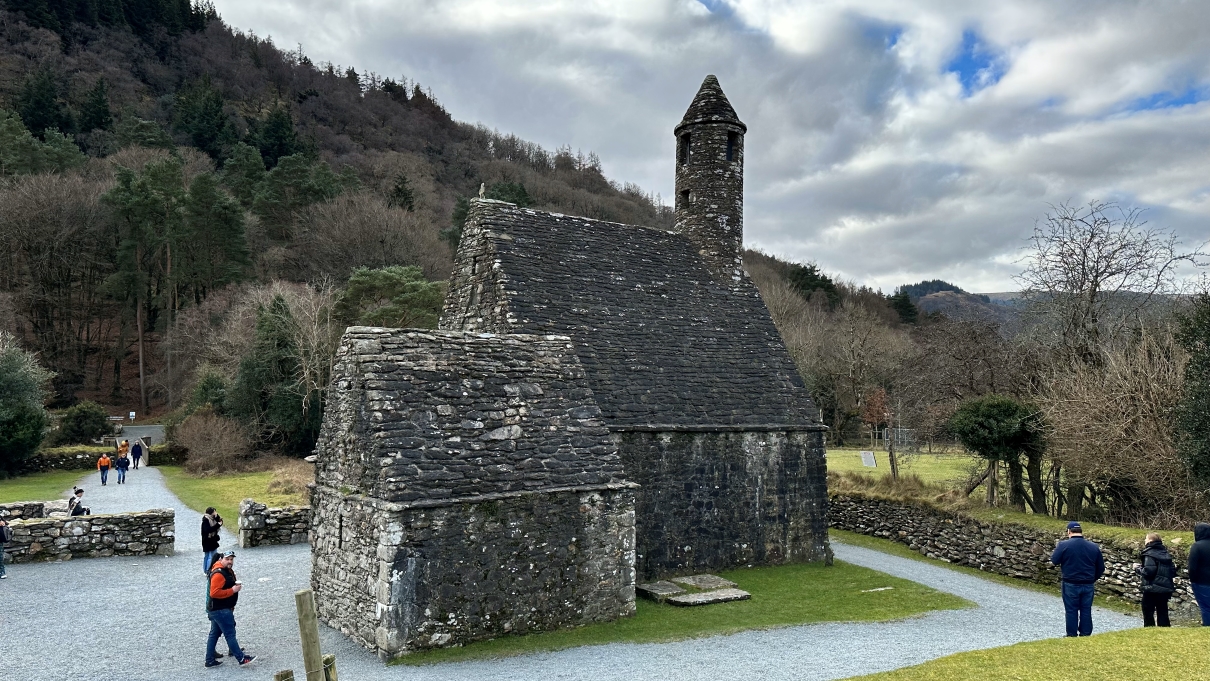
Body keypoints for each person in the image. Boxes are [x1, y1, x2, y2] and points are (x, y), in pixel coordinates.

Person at [1050, 521, 1105, 637]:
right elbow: (1101, 567)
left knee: (1071, 609)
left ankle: (1071, 634)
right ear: (1081, 531)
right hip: (1088, 583)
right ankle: (1085, 633)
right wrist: (1092, 579)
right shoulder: (1093, 547)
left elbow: (1054, 560)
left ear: (1069, 531)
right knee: (1086, 609)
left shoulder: (1063, 545)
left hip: (1070, 582)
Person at [205, 552, 256, 668]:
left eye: (232, 559)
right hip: (221, 610)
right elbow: (214, 593)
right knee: (230, 633)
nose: (230, 561)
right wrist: (232, 590)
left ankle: (209, 660)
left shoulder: (222, 570)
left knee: (214, 633)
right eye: (228, 559)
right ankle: (241, 658)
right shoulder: (219, 574)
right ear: (221, 559)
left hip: (216, 609)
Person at [1136, 532, 1175, 627]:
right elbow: (1172, 571)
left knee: (1147, 610)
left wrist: (1137, 568)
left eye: (1146, 539)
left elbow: (1149, 572)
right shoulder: (1165, 553)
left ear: (1150, 540)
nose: (1144, 540)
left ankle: (1149, 629)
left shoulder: (1149, 554)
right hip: (1164, 588)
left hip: (1151, 587)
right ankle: (1165, 630)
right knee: (1162, 611)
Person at [1189, 522, 1210, 626]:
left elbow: (1192, 567)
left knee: (1206, 607)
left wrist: (1192, 580)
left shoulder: (1197, 546)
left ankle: (1207, 626)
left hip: (1201, 582)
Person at [202, 508, 223, 576]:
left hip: (210, 540)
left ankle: (206, 570)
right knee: (211, 556)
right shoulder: (206, 520)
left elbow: (219, 520)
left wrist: (217, 515)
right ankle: (208, 570)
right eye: (214, 512)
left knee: (208, 555)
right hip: (208, 540)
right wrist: (218, 525)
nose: (215, 513)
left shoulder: (212, 518)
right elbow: (208, 530)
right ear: (211, 513)